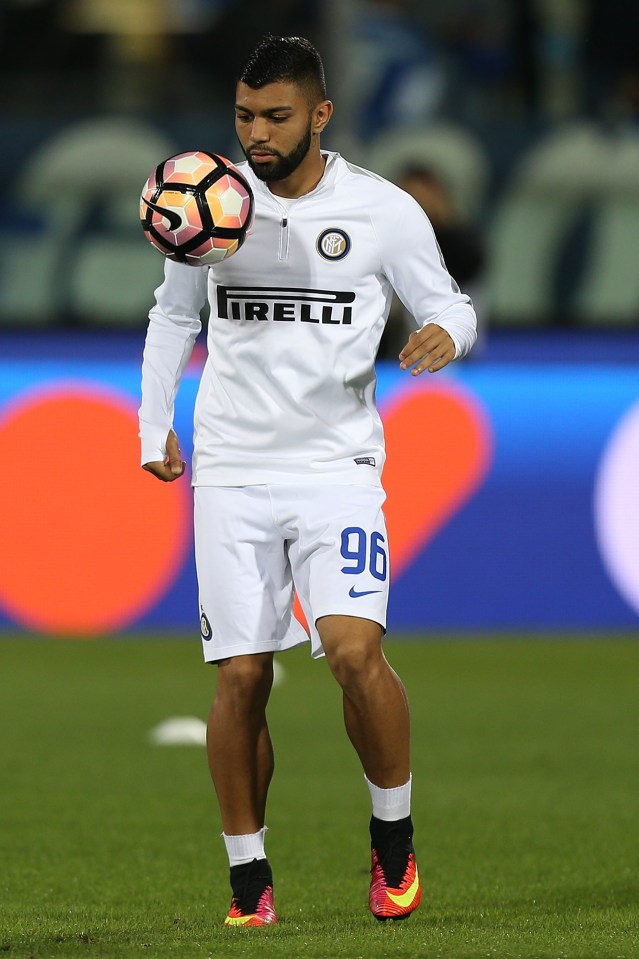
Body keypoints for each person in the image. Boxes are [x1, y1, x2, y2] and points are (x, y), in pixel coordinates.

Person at [139, 34, 477, 927]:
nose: (256, 132)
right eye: (244, 115)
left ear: (319, 115)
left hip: (337, 466)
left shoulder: (381, 210)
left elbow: (450, 302)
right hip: (234, 471)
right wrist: (152, 424)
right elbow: (172, 316)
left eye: (276, 116)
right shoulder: (210, 202)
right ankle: (250, 883)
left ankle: (392, 841)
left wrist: (449, 334)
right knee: (241, 677)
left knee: (354, 654)